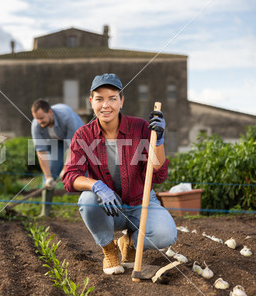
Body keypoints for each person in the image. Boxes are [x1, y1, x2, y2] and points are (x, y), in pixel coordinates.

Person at [62, 73, 177, 275]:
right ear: (91, 102)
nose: (105, 105)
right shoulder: (83, 135)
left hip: (140, 202)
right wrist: (97, 186)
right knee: (87, 199)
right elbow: (71, 177)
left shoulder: (141, 128)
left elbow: (158, 175)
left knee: (165, 235)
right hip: (107, 208)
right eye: (99, 99)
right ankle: (109, 249)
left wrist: (158, 141)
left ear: (121, 101)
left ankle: (129, 243)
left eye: (112, 98)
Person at [31, 99, 84, 216]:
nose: (39, 121)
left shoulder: (67, 117)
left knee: (82, 169)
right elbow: (41, 152)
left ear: (50, 112)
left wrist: (65, 168)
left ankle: (88, 209)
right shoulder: (36, 125)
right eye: (36, 118)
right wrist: (48, 177)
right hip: (56, 141)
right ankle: (45, 212)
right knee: (52, 167)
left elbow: (72, 148)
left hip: (79, 139)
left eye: (41, 118)